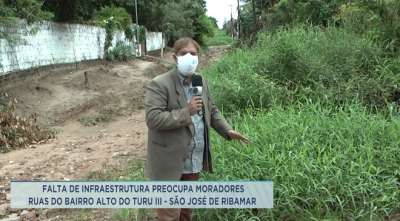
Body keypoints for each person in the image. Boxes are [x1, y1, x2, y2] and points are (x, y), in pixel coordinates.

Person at [144, 37, 250, 221]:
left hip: (193, 159)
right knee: (169, 215)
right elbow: (153, 119)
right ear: (175, 58)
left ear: (198, 57)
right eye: (183, 53)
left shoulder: (201, 81)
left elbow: (211, 109)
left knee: (186, 212)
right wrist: (187, 112)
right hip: (169, 162)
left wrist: (227, 130)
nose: (189, 57)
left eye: (193, 53)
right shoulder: (160, 84)